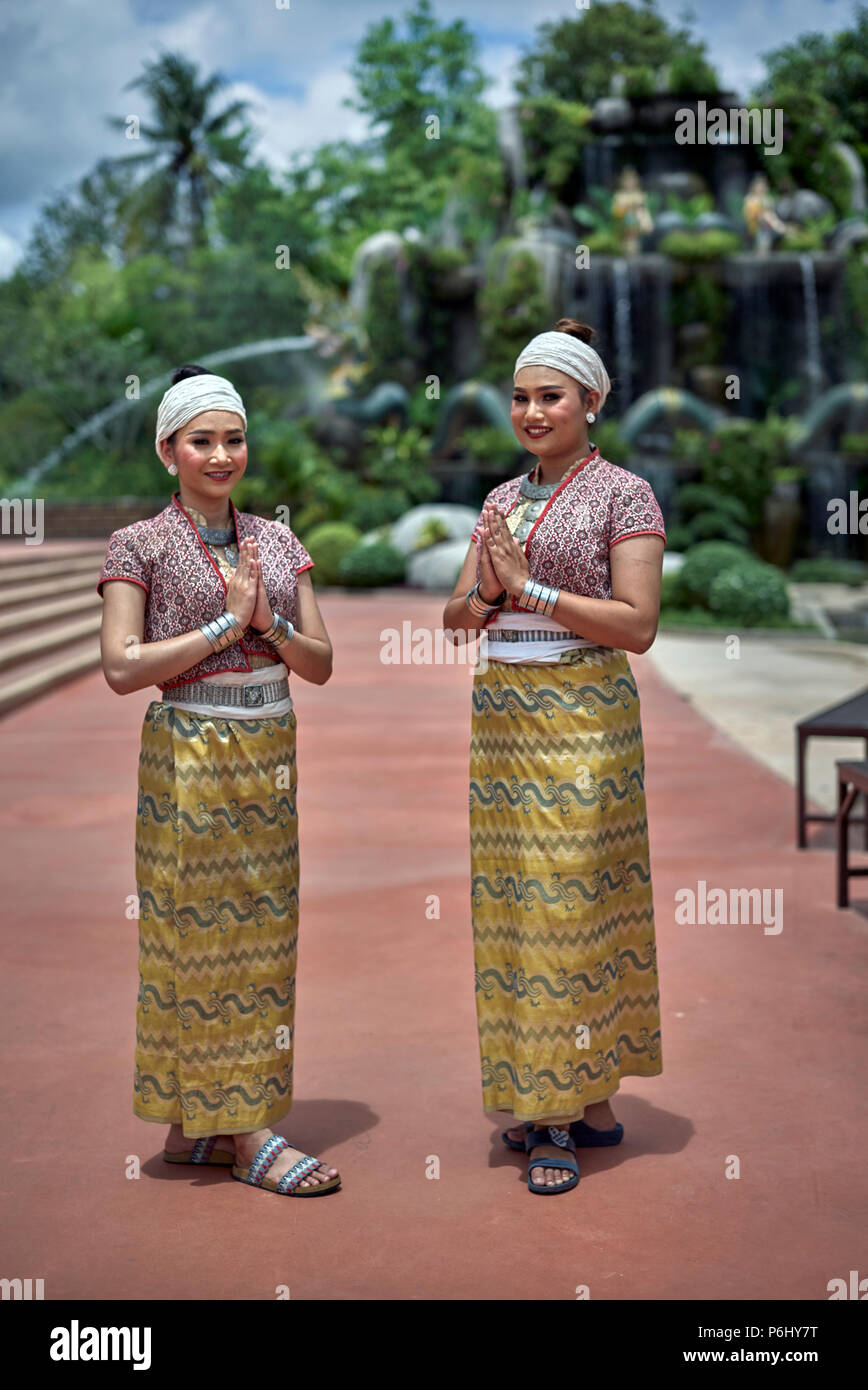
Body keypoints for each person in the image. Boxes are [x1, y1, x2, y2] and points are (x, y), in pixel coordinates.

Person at [97, 365, 341, 1197]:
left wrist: (267, 622)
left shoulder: (278, 542)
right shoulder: (140, 545)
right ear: (168, 450)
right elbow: (121, 669)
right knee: (198, 933)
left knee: (266, 936)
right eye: (202, 441)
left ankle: (197, 1123)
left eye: (233, 439)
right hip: (191, 754)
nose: (221, 454)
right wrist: (220, 627)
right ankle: (245, 1131)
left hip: (270, 750)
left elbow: (321, 663)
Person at [443, 319, 666, 1194]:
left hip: (585, 714)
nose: (533, 411)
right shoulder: (500, 500)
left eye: (552, 396)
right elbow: (455, 616)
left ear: (592, 402)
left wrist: (529, 588)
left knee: (576, 905)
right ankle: (566, 1098)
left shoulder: (627, 494)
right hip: (502, 716)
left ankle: (563, 1113)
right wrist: (487, 590)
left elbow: (638, 625)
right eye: (522, 397)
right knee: (512, 910)